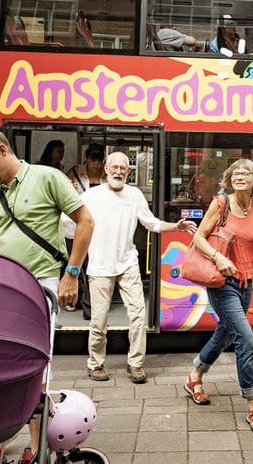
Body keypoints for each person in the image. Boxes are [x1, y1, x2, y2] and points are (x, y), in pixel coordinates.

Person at [0, 127, 94, 456]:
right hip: (1, 288)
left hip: (42, 284)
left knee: (36, 366)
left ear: (2, 150)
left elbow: (85, 221)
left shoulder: (46, 177)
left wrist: (72, 274)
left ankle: (35, 449)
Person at [185, 158, 253, 434]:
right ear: (229, 179)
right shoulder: (220, 204)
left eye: (246, 173)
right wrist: (218, 256)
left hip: (247, 282)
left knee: (225, 333)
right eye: (236, 173)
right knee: (246, 339)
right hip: (222, 282)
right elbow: (199, 237)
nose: (240, 176)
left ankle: (195, 374)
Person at [81, 151, 196, 383]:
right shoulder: (91, 196)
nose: (118, 171)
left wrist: (177, 226)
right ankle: (95, 364)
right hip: (100, 266)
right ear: (106, 169)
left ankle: (135, 364)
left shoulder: (134, 195)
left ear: (129, 171)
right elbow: (72, 225)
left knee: (138, 315)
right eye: (114, 167)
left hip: (128, 263)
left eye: (123, 168)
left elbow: (151, 223)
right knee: (99, 319)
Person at [60, 142, 107, 318]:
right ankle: (73, 300)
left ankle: (90, 305)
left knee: (92, 267)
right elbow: (63, 194)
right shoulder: (74, 173)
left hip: (97, 228)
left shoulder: (107, 177)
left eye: (99, 160)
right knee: (74, 265)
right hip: (72, 227)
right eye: (93, 160)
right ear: (86, 159)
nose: (96, 164)